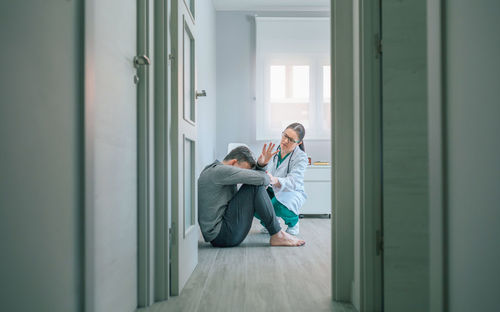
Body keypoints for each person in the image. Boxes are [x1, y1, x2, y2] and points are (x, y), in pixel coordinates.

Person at [198, 146, 305, 247]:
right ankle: (277, 234)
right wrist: (260, 166)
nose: (244, 174)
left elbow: (258, 178)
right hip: (223, 236)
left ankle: (277, 232)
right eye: (243, 171)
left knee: (255, 183)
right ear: (233, 162)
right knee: (255, 186)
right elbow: (263, 179)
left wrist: (261, 165)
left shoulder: (213, 169)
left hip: (222, 234)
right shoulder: (220, 171)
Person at [255, 123, 308, 235]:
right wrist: (261, 163)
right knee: (253, 202)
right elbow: (261, 167)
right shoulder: (274, 147)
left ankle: (293, 223)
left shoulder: (301, 157)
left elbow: (294, 181)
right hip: (271, 187)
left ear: (299, 143)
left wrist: (275, 180)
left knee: (275, 206)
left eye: (291, 140)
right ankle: (272, 223)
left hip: (290, 191)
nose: (285, 141)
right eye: (285, 136)